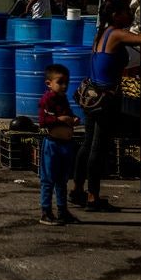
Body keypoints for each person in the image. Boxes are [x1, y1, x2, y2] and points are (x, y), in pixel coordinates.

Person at [70, 0, 141, 212]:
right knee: (97, 147)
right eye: (126, 11)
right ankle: (92, 198)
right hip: (105, 100)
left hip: (91, 95)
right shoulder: (116, 34)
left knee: (87, 145)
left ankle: (78, 189)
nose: (130, 14)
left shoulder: (103, 33)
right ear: (116, 15)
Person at [37, 63, 80, 226]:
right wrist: (60, 120)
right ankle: (46, 211)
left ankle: (63, 210)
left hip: (65, 145)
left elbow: (68, 114)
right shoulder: (47, 100)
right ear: (49, 83)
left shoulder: (63, 99)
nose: (64, 86)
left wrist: (73, 118)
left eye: (66, 83)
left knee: (62, 180)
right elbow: (42, 121)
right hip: (52, 145)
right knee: (48, 180)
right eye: (60, 82)